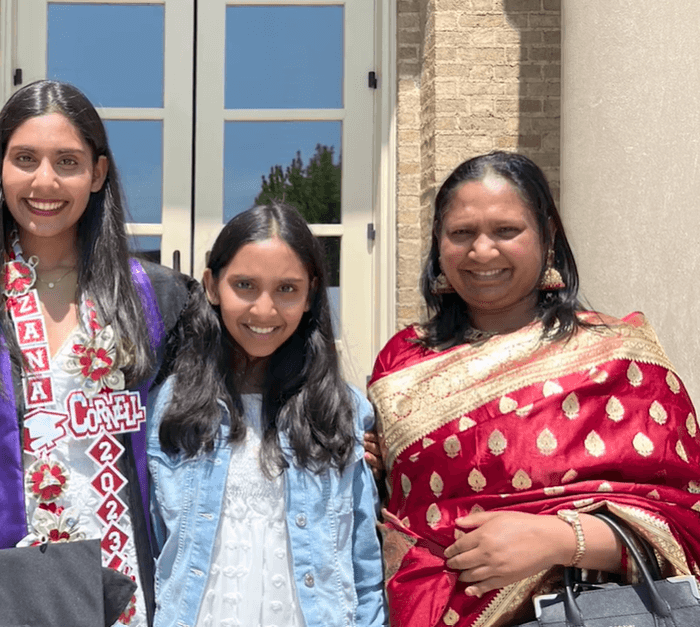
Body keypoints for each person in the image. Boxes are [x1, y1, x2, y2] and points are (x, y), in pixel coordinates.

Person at [0, 79, 192, 627]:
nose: (44, 181)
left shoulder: (158, 300)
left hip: (133, 583)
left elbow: (210, 430)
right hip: (2, 588)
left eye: (67, 161)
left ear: (98, 173)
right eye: (25, 158)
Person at [365, 151, 700, 627]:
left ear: (547, 238)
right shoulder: (402, 360)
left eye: (506, 231)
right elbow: (395, 510)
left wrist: (560, 539)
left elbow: (688, 517)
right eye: (461, 234)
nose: (482, 252)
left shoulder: (618, 358)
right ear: (438, 245)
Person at [146, 202, 385, 627]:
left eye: (287, 289)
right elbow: (151, 546)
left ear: (311, 294)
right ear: (212, 286)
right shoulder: (169, 406)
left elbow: (364, 564)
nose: (264, 310)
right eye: (245, 285)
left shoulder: (342, 411)